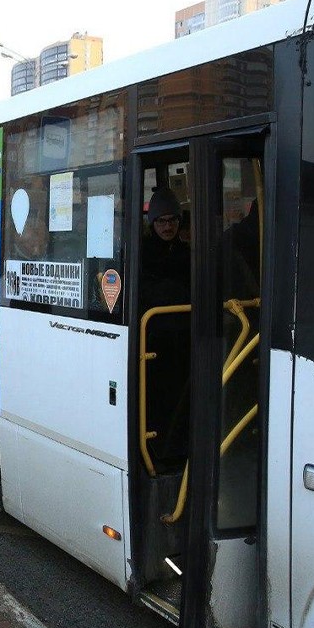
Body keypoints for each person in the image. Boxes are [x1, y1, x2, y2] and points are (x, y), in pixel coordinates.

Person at [140, 188, 192, 465]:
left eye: (172, 220)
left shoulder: (187, 253)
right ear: (152, 223)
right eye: (161, 221)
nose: (168, 226)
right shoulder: (143, 254)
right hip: (155, 342)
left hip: (183, 340)